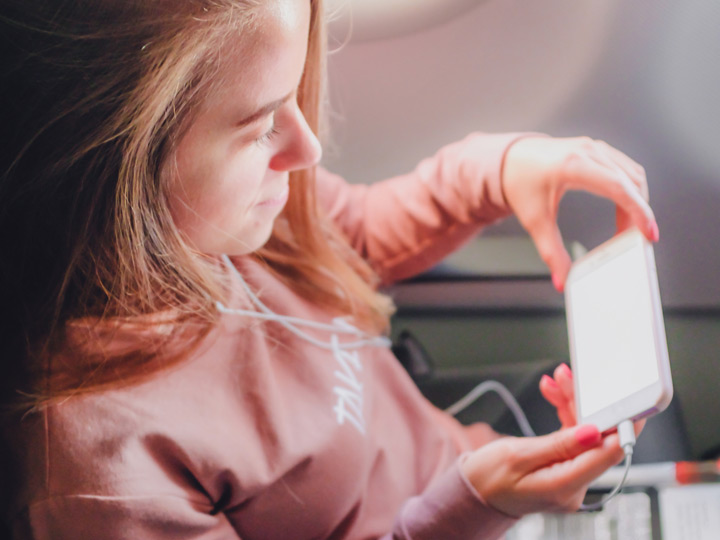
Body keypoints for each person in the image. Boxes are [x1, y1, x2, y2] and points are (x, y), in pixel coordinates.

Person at [0, 0, 655, 538]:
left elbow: (356, 235)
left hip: (482, 478)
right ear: (116, 161)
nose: (305, 147)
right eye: (258, 127)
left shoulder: (236, 210)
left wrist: (499, 170)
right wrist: (475, 507)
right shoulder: (106, 474)